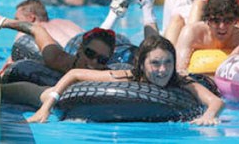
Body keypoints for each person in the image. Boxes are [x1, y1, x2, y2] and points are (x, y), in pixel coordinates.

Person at [26, 35, 224, 125]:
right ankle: (7, 88)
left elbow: (216, 101)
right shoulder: (127, 76)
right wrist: (45, 108)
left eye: (168, 63)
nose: (163, 70)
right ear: (142, 65)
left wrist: (209, 115)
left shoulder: (180, 81)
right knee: (41, 95)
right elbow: (74, 74)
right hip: (61, 90)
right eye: (155, 63)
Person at [175, 0, 239, 72]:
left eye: (228, 20)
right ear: (207, 20)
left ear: (235, 21)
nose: (222, 26)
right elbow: (180, 69)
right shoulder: (192, 33)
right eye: (216, 21)